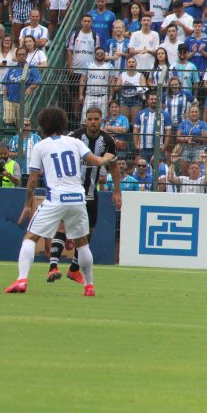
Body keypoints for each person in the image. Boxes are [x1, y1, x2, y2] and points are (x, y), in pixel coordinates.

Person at [5, 107, 117, 296]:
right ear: (62, 123)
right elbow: (97, 161)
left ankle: (22, 280)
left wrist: (27, 204)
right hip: (78, 198)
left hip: (56, 198)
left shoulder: (41, 146)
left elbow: (32, 181)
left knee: (30, 238)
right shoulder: (74, 142)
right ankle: (89, 287)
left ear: (44, 125)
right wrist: (108, 157)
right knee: (82, 244)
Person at [48, 106, 122, 282]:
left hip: (91, 193)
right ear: (85, 120)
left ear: (101, 120)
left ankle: (74, 268)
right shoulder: (74, 137)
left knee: (88, 232)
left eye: (96, 119)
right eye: (90, 119)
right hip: (71, 191)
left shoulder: (107, 141)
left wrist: (117, 192)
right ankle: (53, 267)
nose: (93, 122)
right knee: (63, 228)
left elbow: (114, 166)